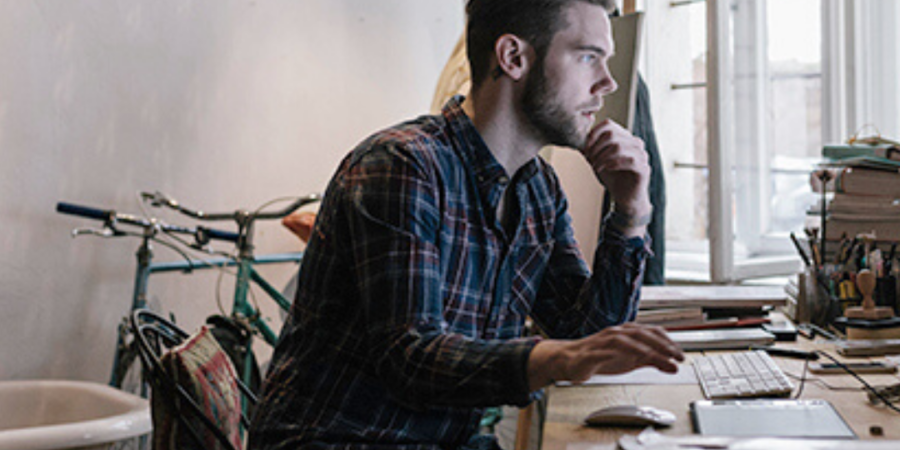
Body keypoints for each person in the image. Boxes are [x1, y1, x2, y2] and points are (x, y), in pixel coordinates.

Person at [249, 1, 683, 449]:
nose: (607, 83)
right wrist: (559, 357)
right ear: (513, 57)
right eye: (588, 56)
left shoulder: (537, 190)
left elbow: (586, 339)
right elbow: (412, 360)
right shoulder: (401, 166)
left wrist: (631, 216)